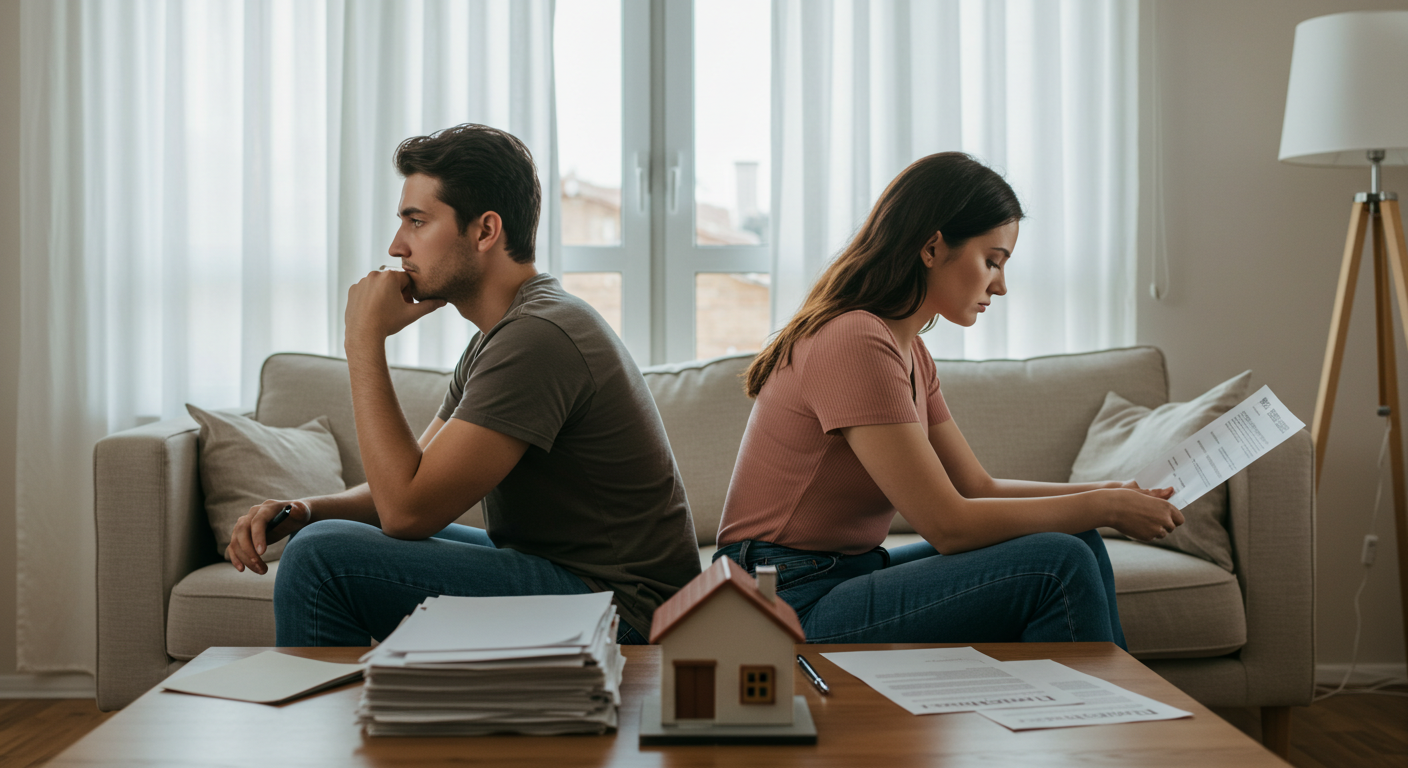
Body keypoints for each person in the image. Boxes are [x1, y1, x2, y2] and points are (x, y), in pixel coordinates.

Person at [225, 123, 701, 646]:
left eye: (417, 221)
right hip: (575, 579)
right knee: (319, 535)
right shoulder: (503, 334)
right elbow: (406, 489)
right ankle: (383, 716)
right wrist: (305, 509)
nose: (397, 246)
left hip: (627, 611)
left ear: (485, 230)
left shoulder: (537, 337)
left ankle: (329, 724)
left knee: (322, 560)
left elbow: (408, 511)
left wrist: (363, 341)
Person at [713, 152, 1182, 647]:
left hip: (837, 576)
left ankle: (1107, 714)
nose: (1000, 286)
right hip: (781, 600)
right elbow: (948, 526)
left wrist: (1106, 493)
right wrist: (1103, 506)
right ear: (933, 247)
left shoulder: (911, 351)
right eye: (992, 261)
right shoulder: (854, 340)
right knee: (1058, 564)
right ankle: (1103, 719)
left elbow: (978, 487)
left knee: (1075, 536)